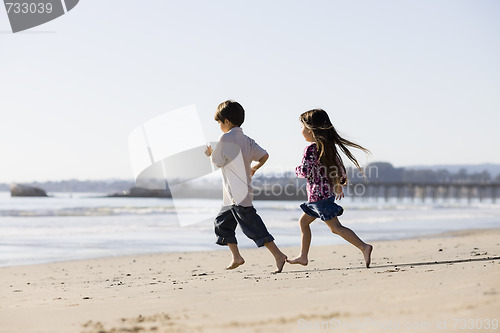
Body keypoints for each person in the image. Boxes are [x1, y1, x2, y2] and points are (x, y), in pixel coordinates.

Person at [205, 100, 287, 273]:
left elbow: (217, 162)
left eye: (219, 122)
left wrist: (210, 153)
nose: (219, 125)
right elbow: (264, 155)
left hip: (237, 195)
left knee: (253, 228)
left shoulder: (225, 138)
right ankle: (236, 257)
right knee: (222, 224)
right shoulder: (247, 140)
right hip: (233, 195)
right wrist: (254, 168)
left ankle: (278, 255)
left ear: (226, 121)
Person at [287, 109, 373, 268]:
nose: (301, 131)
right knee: (304, 222)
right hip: (321, 197)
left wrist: (296, 170)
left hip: (319, 198)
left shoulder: (311, 149)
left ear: (311, 130)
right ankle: (303, 256)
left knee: (335, 228)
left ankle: (364, 246)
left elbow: (305, 171)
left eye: (302, 127)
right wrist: (338, 184)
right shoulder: (328, 147)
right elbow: (338, 168)